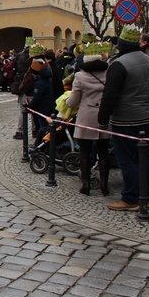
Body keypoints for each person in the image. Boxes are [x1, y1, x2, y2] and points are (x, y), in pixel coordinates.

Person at [98, 25, 149, 211]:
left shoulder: (119, 64)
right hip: (147, 116)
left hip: (126, 119)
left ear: (122, 44)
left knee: (128, 161)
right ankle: (145, 196)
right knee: (145, 158)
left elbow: (110, 94)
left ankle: (131, 198)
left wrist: (103, 118)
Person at [66, 42, 111, 196]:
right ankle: (105, 186)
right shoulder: (108, 74)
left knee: (84, 151)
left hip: (86, 116)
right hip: (104, 117)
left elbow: (73, 101)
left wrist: (67, 102)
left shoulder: (79, 76)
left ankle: (86, 185)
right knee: (103, 151)